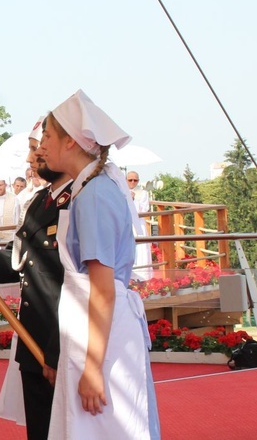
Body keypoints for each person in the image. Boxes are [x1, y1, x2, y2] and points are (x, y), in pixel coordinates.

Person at [39, 90, 160, 439]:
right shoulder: (91, 187)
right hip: (90, 327)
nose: (41, 146)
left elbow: (103, 290)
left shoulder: (93, 195)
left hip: (100, 335)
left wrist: (92, 368)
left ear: (72, 143)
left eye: (48, 136)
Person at [0, 118, 72, 440]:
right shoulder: (40, 201)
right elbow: (18, 257)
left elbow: (76, 282)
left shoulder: (79, 202)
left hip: (61, 340)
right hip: (34, 336)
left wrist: (57, 351)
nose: (31, 159)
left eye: (37, 149)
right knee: (41, 429)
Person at [128, 171, 153, 280]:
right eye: (130, 180)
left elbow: (144, 210)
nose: (133, 182)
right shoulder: (120, 191)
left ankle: (142, 276)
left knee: (141, 249)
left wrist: (133, 200)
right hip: (126, 223)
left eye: (135, 180)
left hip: (139, 224)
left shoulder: (143, 193)